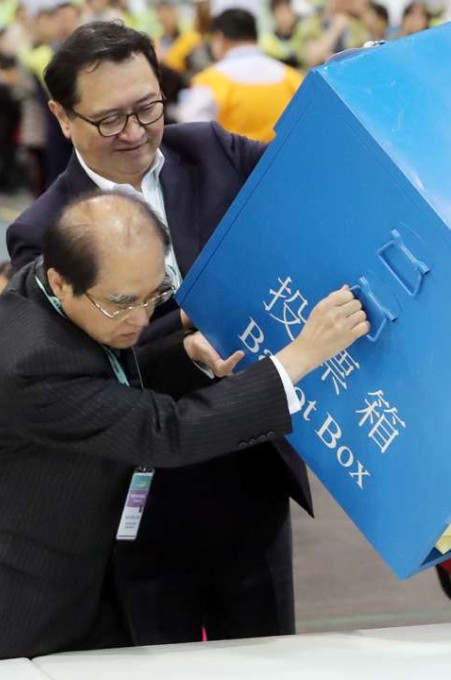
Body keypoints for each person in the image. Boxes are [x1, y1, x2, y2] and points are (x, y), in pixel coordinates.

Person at [5, 21, 307, 646]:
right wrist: (184, 347)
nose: (136, 132)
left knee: (268, 650)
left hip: (247, 469)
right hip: (138, 493)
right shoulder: (46, 232)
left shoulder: (215, 152)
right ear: (62, 118)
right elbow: (83, 371)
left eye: (148, 107)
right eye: (111, 119)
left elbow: (308, 187)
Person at [0, 191, 369, 659]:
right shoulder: (29, 362)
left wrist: (182, 354)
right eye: (121, 304)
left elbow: (109, 382)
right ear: (61, 279)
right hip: (32, 605)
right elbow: (164, 433)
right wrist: (301, 356)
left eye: (154, 295)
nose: (141, 319)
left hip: (95, 581)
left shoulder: (54, 293)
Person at [177, 9, 303, 142]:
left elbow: (191, 130)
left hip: (232, 160)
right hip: (281, 159)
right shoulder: (291, 77)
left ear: (220, 38)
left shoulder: (211, 79)